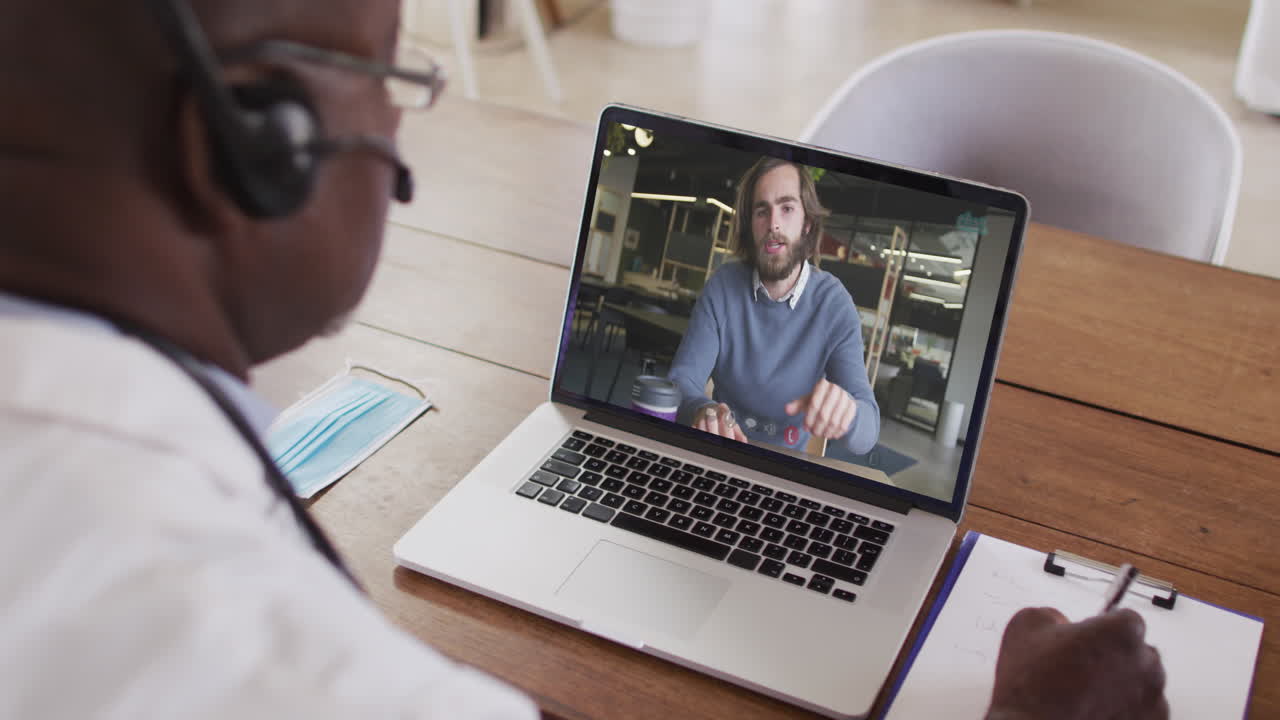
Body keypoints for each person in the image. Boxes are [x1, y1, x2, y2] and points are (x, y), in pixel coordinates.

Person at [0, 2, 1167, 718]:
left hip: (821, 501)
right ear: (260, 147)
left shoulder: (833, 319)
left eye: (785, 215)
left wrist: (833, 419)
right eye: (390, 78)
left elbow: (864, 432)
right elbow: (672, 386)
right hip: (685, 475)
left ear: (806, 228)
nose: (402, 129)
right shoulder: (309, 679)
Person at [668, 156, 879, 455]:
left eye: (787, 208)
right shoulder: (723, 286)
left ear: (807, 223)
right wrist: (701, 410)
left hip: (787, 471)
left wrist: (849, 415)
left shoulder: (835, 304)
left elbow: (867, 433)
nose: (774, 224)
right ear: (750, 224)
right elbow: (680, 382)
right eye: (761, 211)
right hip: (719, 455)